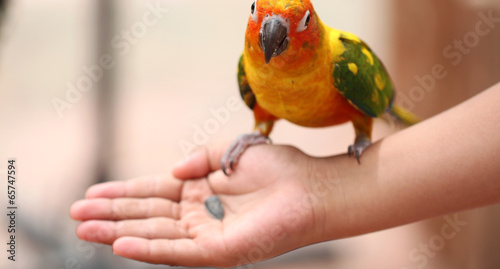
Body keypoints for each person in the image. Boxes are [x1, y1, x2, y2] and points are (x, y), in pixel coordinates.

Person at [70, 83, 500, 267]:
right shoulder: (251, 67)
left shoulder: (340, 57)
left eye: (300, 23)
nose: (273, 31)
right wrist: (318, 190)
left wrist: (323, 190)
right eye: (257, 15)